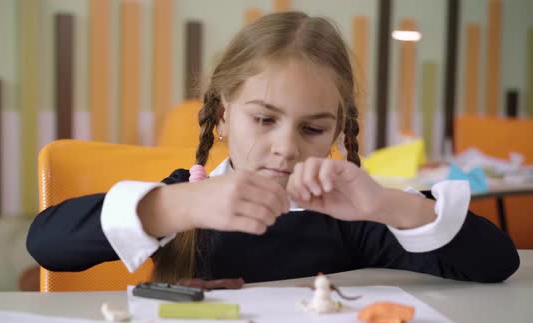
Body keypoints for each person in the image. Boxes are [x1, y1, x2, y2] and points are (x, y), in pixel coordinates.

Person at [27, 11, 519, 285]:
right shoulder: (186, 201)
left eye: (312, 129)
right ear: (223, 115)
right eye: (264, 119)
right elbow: (47, 245)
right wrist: (176, 206)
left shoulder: (348, 218)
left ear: (336, 131)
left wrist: (386, 203)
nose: (285, 148)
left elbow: (497, 264)